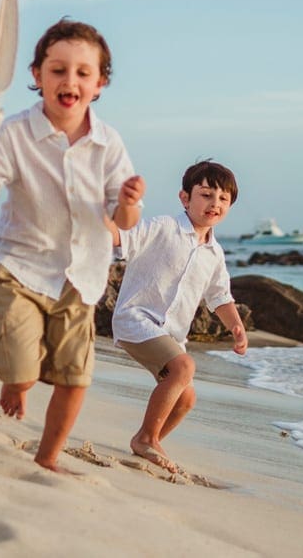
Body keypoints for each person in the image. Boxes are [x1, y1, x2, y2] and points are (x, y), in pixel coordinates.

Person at [0, 17, 145, 473]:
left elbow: (122, 220)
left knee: (75, 377)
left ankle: (47, 457)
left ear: (100, 83)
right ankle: (17, 381)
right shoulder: (14, 133)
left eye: (83, 72)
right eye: (58, 70)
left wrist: (129, 202)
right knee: (20, 371)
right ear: (36, 76)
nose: (70, 81)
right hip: (19, 267)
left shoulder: (108, 142)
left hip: (81, 277)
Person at [110, 160, 248, 473]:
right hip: (137, 319)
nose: (215, 203)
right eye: (206, 194)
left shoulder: (214, 253)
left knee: (186, 399)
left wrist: (236, 325)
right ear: (185, 198)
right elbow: (123, 238)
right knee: (184, 366)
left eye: (223, 198)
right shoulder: (163, 227)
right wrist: (101, 220)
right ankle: (147, 437)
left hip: (171, 334)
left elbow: (219, 295)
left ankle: (147, 440)